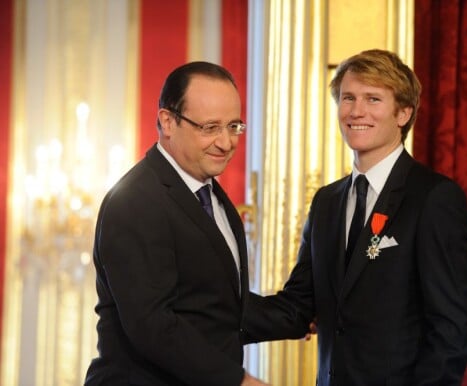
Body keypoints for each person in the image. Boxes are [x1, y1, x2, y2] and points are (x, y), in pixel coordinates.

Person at [243, 49, 467, 385]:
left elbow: (452, 329)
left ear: (403, 113)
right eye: (348, 98)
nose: (356, 111)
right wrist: (207, 314)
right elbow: (296, 308)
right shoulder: (326, 202)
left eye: (373, 99)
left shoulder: (434, 198)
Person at [84, 61, 307, 386]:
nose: (226, 142)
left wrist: (300, 317)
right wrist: (238, 381)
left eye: (234, 126)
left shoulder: (210, 194)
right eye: (210, 127)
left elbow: (214, 308)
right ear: (168, 121)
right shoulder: (134, 202)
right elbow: (153, 327)